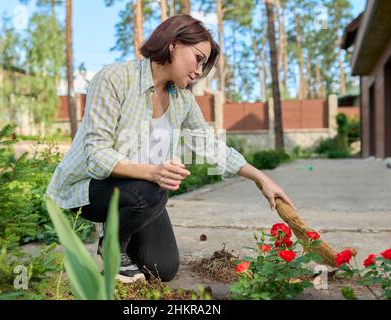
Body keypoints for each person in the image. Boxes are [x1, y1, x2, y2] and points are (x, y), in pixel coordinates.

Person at [46, 14, 296, 284]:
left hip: (138, 189)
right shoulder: (114, 78)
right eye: (198, 58)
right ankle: (111, 248)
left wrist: (261, 179)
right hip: (89, 188)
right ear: (174, 44)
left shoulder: (183, 100)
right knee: (154, 189)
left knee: (163, 269)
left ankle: (121, 230)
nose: (200, 70)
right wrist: (154, 172)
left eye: (205, 64)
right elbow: (96, 155)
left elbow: (209, 145)